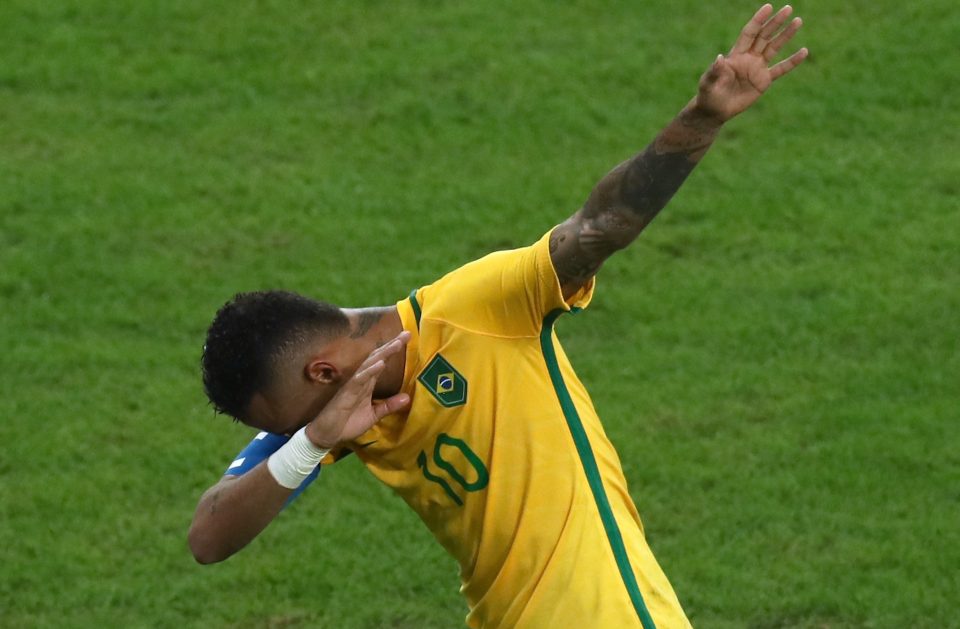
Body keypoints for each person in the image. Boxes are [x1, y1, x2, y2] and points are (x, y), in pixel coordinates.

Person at [188, 5, 807, 627]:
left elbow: (601, 226)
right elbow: (208, 537)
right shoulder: (331, 418)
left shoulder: (477, 310)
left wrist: (700, 120)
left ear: (322, 372)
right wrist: (313, 441)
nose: (299, 435)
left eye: (298, 424)